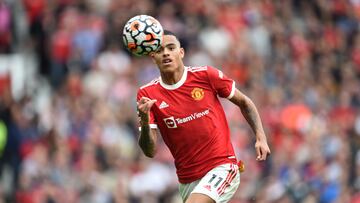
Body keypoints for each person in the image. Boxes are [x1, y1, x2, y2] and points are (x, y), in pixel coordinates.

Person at [136, 30, 271, 203]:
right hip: (187, 180)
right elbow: (150, 151)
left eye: (171, 48)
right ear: (153, 57)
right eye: (160, 50)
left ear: (181, 52)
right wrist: (145, 120)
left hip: (222, 167)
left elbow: (244, 102)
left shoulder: (206, 75)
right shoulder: (147, 94)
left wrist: (260, 137)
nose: (166, 53)